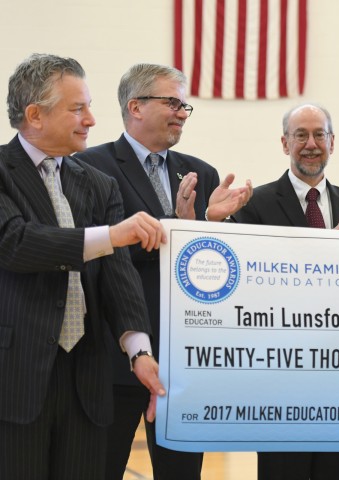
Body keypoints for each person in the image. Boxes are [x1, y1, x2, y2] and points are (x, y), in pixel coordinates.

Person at [75, 63, 252, 480]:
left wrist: (211, 226)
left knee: (182, 472)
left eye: (185, 105)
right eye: (172, 102)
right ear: (135, 106)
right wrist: (176, 228)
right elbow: (93, 255)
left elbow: (217, 270)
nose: (181, 112)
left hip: (183, 359)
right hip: (114, 353)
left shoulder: (202, 173)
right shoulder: (89, 167)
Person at [0, 53, 166, 479]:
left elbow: (119, 277)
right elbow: (17, 244)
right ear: (34, 115)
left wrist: (140, 351)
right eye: (78, 108)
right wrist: (112, 235)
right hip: (16, 381)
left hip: (88, 381)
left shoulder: (97, 183)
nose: (91, 119)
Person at [235, 103, 339, 480]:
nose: (311, 144)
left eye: (319, 135)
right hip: (282, 375)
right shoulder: (254, 208)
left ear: (332, 142)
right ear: (285, 143)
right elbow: (248, 288)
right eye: (301, 135)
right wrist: (320, 259)